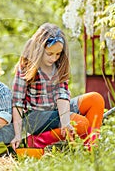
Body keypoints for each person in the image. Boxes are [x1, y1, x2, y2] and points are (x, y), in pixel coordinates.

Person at [10, 23, 105, 151]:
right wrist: (17, 135)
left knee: (95, 99)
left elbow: (62, 95)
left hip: (56, 110)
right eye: (49, 54)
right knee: (81, 123)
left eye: (58, 54)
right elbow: (17, 103)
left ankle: (91, 149)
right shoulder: (26, 67)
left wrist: (65, 122)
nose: (54, 58)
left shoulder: (59, 66)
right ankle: (36, 141)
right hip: (35, 117)